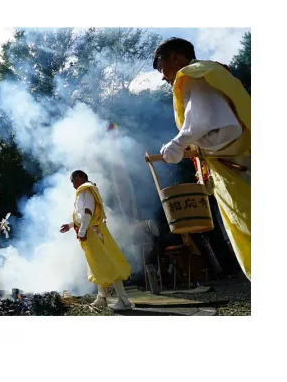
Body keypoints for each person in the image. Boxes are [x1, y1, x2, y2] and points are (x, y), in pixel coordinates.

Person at [153, 37, 251, 281]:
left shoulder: (193, 75)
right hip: (237, 161)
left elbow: (207, 121)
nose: (162, 76)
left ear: (174, 57)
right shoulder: (209, 73)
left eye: (160, 66)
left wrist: (177, 144)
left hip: (236, 165)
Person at [59, 170, 133, 310]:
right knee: (98, 266)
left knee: (108, 264)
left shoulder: (86, 190)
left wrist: (81, 231)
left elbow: (87, 212)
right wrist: (70, 226)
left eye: (73, 181)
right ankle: (102, 298)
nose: (73, 184)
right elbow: (82, 216)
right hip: (92, 231)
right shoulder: (87, 189)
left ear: (80, 177)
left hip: (93, 233)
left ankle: (123, 300)